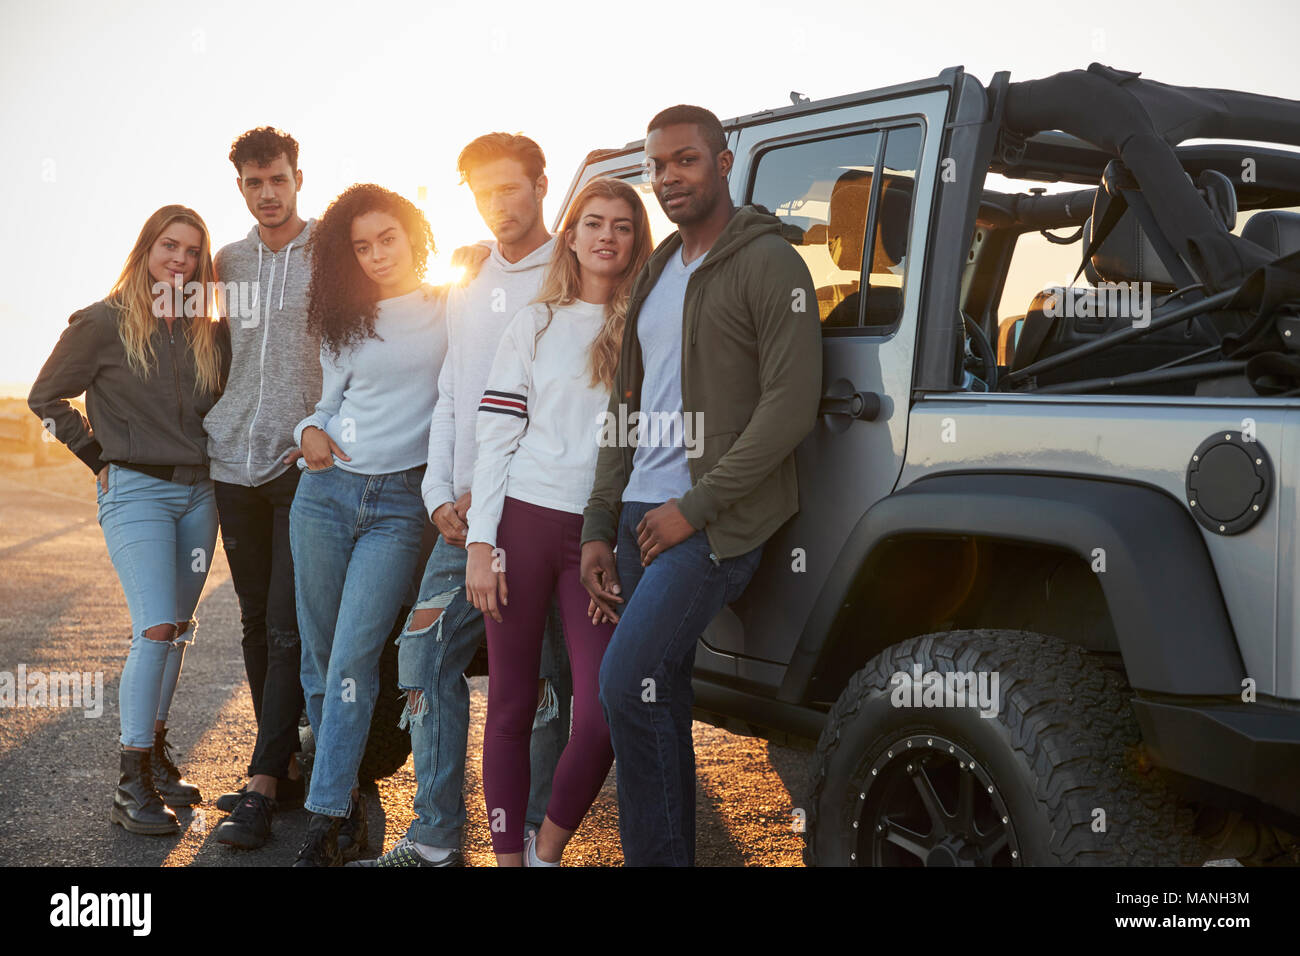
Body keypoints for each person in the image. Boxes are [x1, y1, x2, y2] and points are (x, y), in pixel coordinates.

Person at [579, 106, 822, 866]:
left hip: (713, 524)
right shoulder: (656, 270)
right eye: (657, 166)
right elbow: (627, 401)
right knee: (659, 698)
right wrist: (597, 521)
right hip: (639, 517)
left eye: (684, 161)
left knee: (625, 685)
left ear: (723, 163)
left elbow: (790, 407)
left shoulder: (770, 262)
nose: (667, 178)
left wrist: (696, 509)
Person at [354, 133, 571, 868]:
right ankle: (435, 839)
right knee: (421, 651)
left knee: (533, 675)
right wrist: (437, 492)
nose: (497, 206)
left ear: (543, 185)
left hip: (532, 512)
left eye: (509, 189)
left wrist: (499, 494)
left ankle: (538, 839)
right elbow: (452, 390)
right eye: (482, 194)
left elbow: (566, 401)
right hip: (458, 521)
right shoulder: (469, 279)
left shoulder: (570, 275)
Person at [466, 177, 653, 866]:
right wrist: (482, 544)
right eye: (594, 222)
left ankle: (546, 851)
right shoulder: (534, 324)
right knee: (511, 704)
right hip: (523, 525)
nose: (607, 235)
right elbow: (496, 439)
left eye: (623, 226)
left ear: (637, 242)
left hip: (599, 538)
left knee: (603, 711)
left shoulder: (648, 328)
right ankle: (506, 859)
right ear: (570, 235)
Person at [28, 204, 230, 835]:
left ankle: (158, 757)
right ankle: (129, 783)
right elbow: (45, 397)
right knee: (155, 627)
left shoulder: (208, 330)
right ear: (146, 249)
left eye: (193, 251)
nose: (181, 259)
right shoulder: (100, 322)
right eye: (170, 246)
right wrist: (94, 455)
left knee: (180, 628)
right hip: (137, 492)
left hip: (202, 496)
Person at [289, 184, 448, 866]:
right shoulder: (345, 317)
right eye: (362, 246)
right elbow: (324, 406)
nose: (378, 254)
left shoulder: (451, 308)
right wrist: (307, 428)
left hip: (399, 506)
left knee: (356, 655)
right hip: (324, 496)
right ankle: (346, 802)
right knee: (321, 662)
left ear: (414, 235)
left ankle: (323, 819)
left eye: (388, 238)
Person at [202, 127, 317, 850]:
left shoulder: (330, 251)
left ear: (297, 177)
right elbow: (203, 346)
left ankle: (265, 780)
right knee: (252, 619)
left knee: (285, 623)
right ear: (240, 187)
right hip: (230, 464)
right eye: (253, 183)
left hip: (298, 466)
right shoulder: (228, 260)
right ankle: (282, 755)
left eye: (276, 179)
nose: (267, 194)